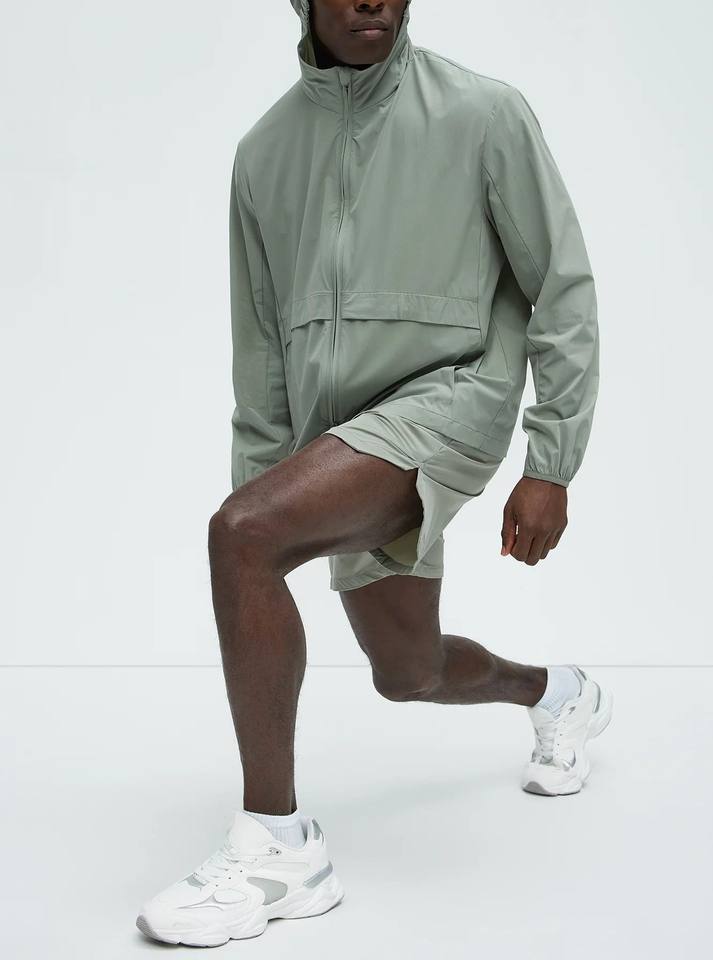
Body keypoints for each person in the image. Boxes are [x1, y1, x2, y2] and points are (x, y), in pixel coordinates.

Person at [136, 0, 612, 946]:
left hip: (453, 396)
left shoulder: (481, 112)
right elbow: (261, 351)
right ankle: (557, 693)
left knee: (240, 536)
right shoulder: (264, 154)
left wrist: (550, 458)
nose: (372, 1)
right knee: (409, 671)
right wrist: (273, 484)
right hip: (342, 438)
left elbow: (559, 285)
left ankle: (279, 850)